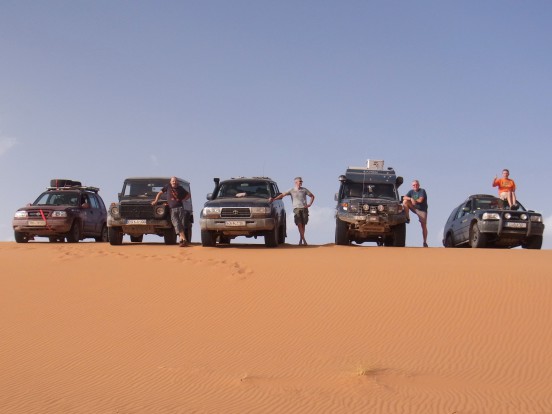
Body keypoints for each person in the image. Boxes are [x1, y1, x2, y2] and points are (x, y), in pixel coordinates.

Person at [269, 177, 315, 245]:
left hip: (304, 208)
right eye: (299, 181)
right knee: (299, 224)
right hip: (296, 208)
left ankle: (300, 239)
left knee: (303, 224)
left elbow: (312, 196)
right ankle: (304, 240)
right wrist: (274, 199)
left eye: (301, 182)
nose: (301, 183)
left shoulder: (304, 190)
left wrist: (310, 204)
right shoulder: (291, 190)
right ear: (296, 182)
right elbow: (283, 195)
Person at [151, 177, 191, 247]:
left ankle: (181, 241)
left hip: (180, 208)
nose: (174, 182)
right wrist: (156, 201)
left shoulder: (180, 188)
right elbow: (160, 193)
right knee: (176, 224)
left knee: (179, 224)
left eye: (175, 181)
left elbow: (188, 195)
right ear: (170, 182)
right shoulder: (168, 186)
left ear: (177, 182)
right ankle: (184, 239)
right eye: (173, 181)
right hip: (172, 209)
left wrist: (183, 200)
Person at [403, 180, 428, 247]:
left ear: (419, 185)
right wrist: (411, 199)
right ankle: (407, 218)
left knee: (423, 226)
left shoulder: (422, 191)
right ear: (412, 186)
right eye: (414, 185)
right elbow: (404, 197)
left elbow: (420, 200)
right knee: (405, 202)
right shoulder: (411, 191)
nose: (415, 186)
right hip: (414, 207)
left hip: (422, 210)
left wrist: (414, 199)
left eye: (416, 185)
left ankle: (424, 242)